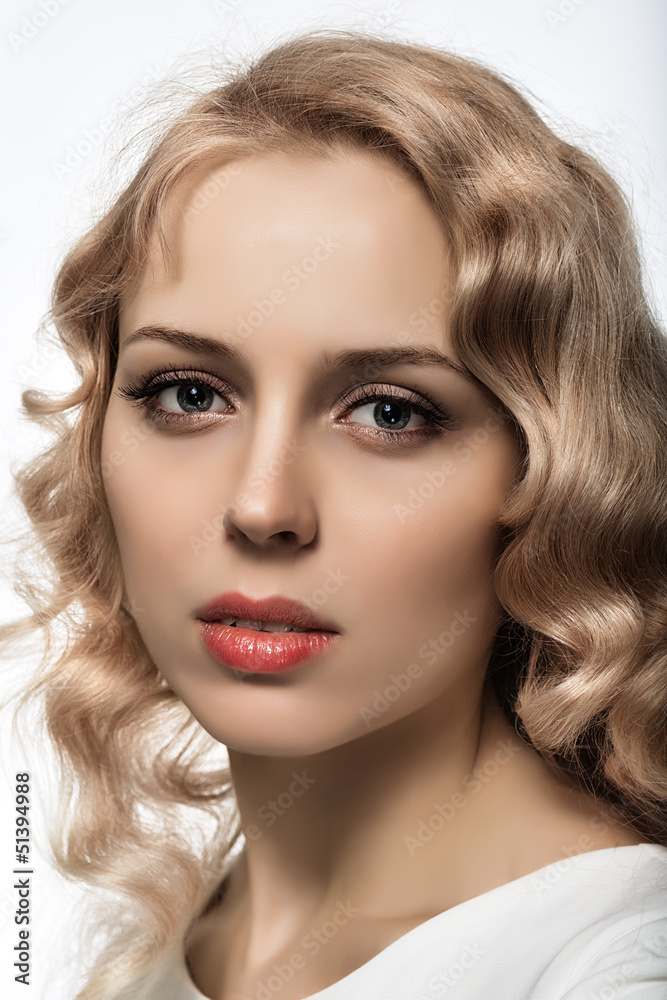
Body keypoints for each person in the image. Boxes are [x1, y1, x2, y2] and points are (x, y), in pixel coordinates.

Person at [3, 26, 667, 1000]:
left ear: (553, 477)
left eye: (390, 412)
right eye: (188, 394)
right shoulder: (176, 952)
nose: (263, 506)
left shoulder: (607, 967)